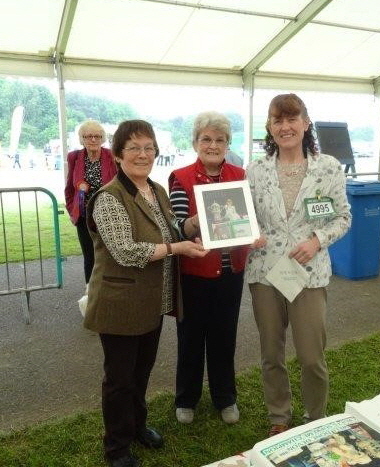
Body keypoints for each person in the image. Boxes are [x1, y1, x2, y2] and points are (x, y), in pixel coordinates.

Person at [83, 120, 208, 467]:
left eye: (149, 147)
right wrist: (177, 247)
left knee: (141, 373)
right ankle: (117, 448)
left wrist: (196, 224)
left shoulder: (156, 190)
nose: (143, 154)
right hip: (120, 304)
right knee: (119, 380)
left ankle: (137, 426)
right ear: (118, 154)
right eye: (134, 147)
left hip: (152, 302)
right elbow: (126, 251)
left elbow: (171, 227)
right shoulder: (108, 197)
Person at [246, 94, 351, 437]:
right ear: (270, 127)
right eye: (278, 120)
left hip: (309, 274)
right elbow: (244, 218)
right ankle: (279, 416)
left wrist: (317, 240)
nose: (285, 126)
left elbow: (343, 217)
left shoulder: (328, 167)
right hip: (265, 273)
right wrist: (249, 233)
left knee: (311, 357)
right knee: (271, 353)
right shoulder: (256, 169)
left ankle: (315, 416)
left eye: (292, 119)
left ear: (306, 123)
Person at [168, 111, 249, 425]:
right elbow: (176, 229)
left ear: (228, 144)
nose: (213, 145)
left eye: (219, 140)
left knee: (224, 335)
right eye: (206, 139)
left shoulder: (240, 174)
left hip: (231, 272)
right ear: (195, 142)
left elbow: (247, 218)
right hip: (195, 272)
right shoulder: (182, 176)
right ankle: (186, 398)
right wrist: (196, 221)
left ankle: (224, 397)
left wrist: (249, 232)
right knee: (190, 337)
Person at [64, 120, 117, 287]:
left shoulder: (112, 156)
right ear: (82, 139)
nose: (93, 140)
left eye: (97, 136)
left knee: (111, 255)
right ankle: (90, 294)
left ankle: (109, 292)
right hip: (84, 216)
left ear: (102, 139)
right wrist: (73, 211)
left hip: (108, 214)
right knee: (89, 256)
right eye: (88, 136)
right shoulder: (74, 157)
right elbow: (69, 189)